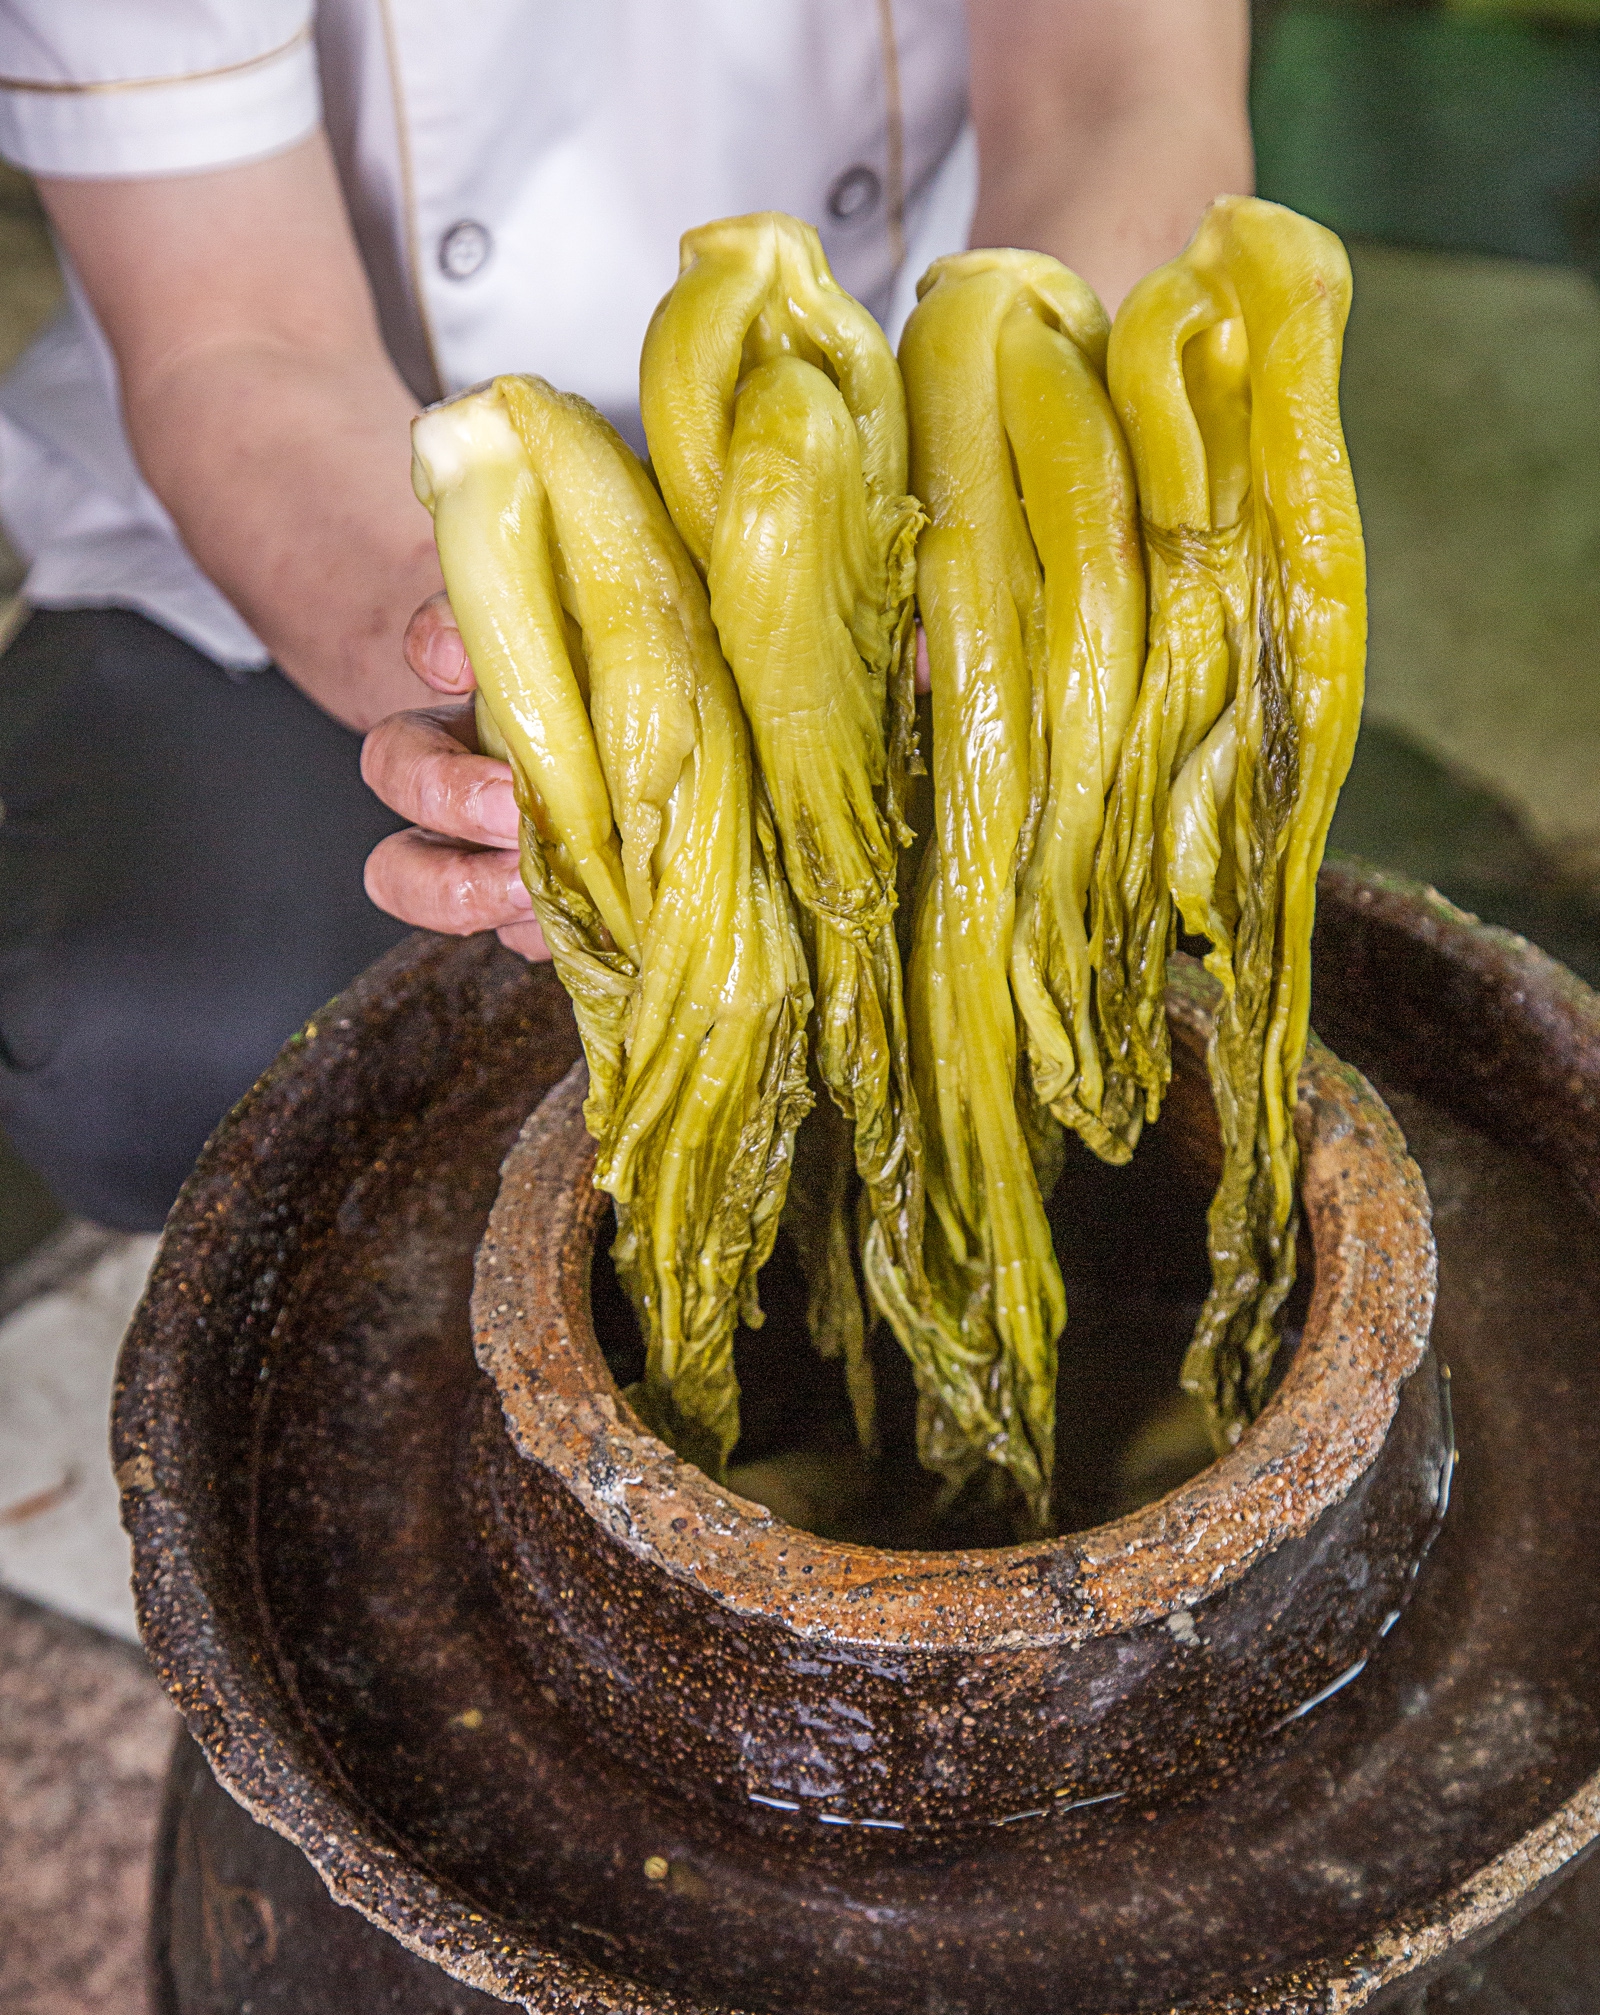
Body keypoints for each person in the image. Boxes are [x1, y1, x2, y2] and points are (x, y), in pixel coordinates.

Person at [0, 0, 1251, 1231]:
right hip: (342, 481)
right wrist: (513, 684)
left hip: (910, 411)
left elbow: (1113, 93)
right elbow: (237, 340)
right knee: (162, 1049)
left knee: (1128, 935)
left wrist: (1029, 553)